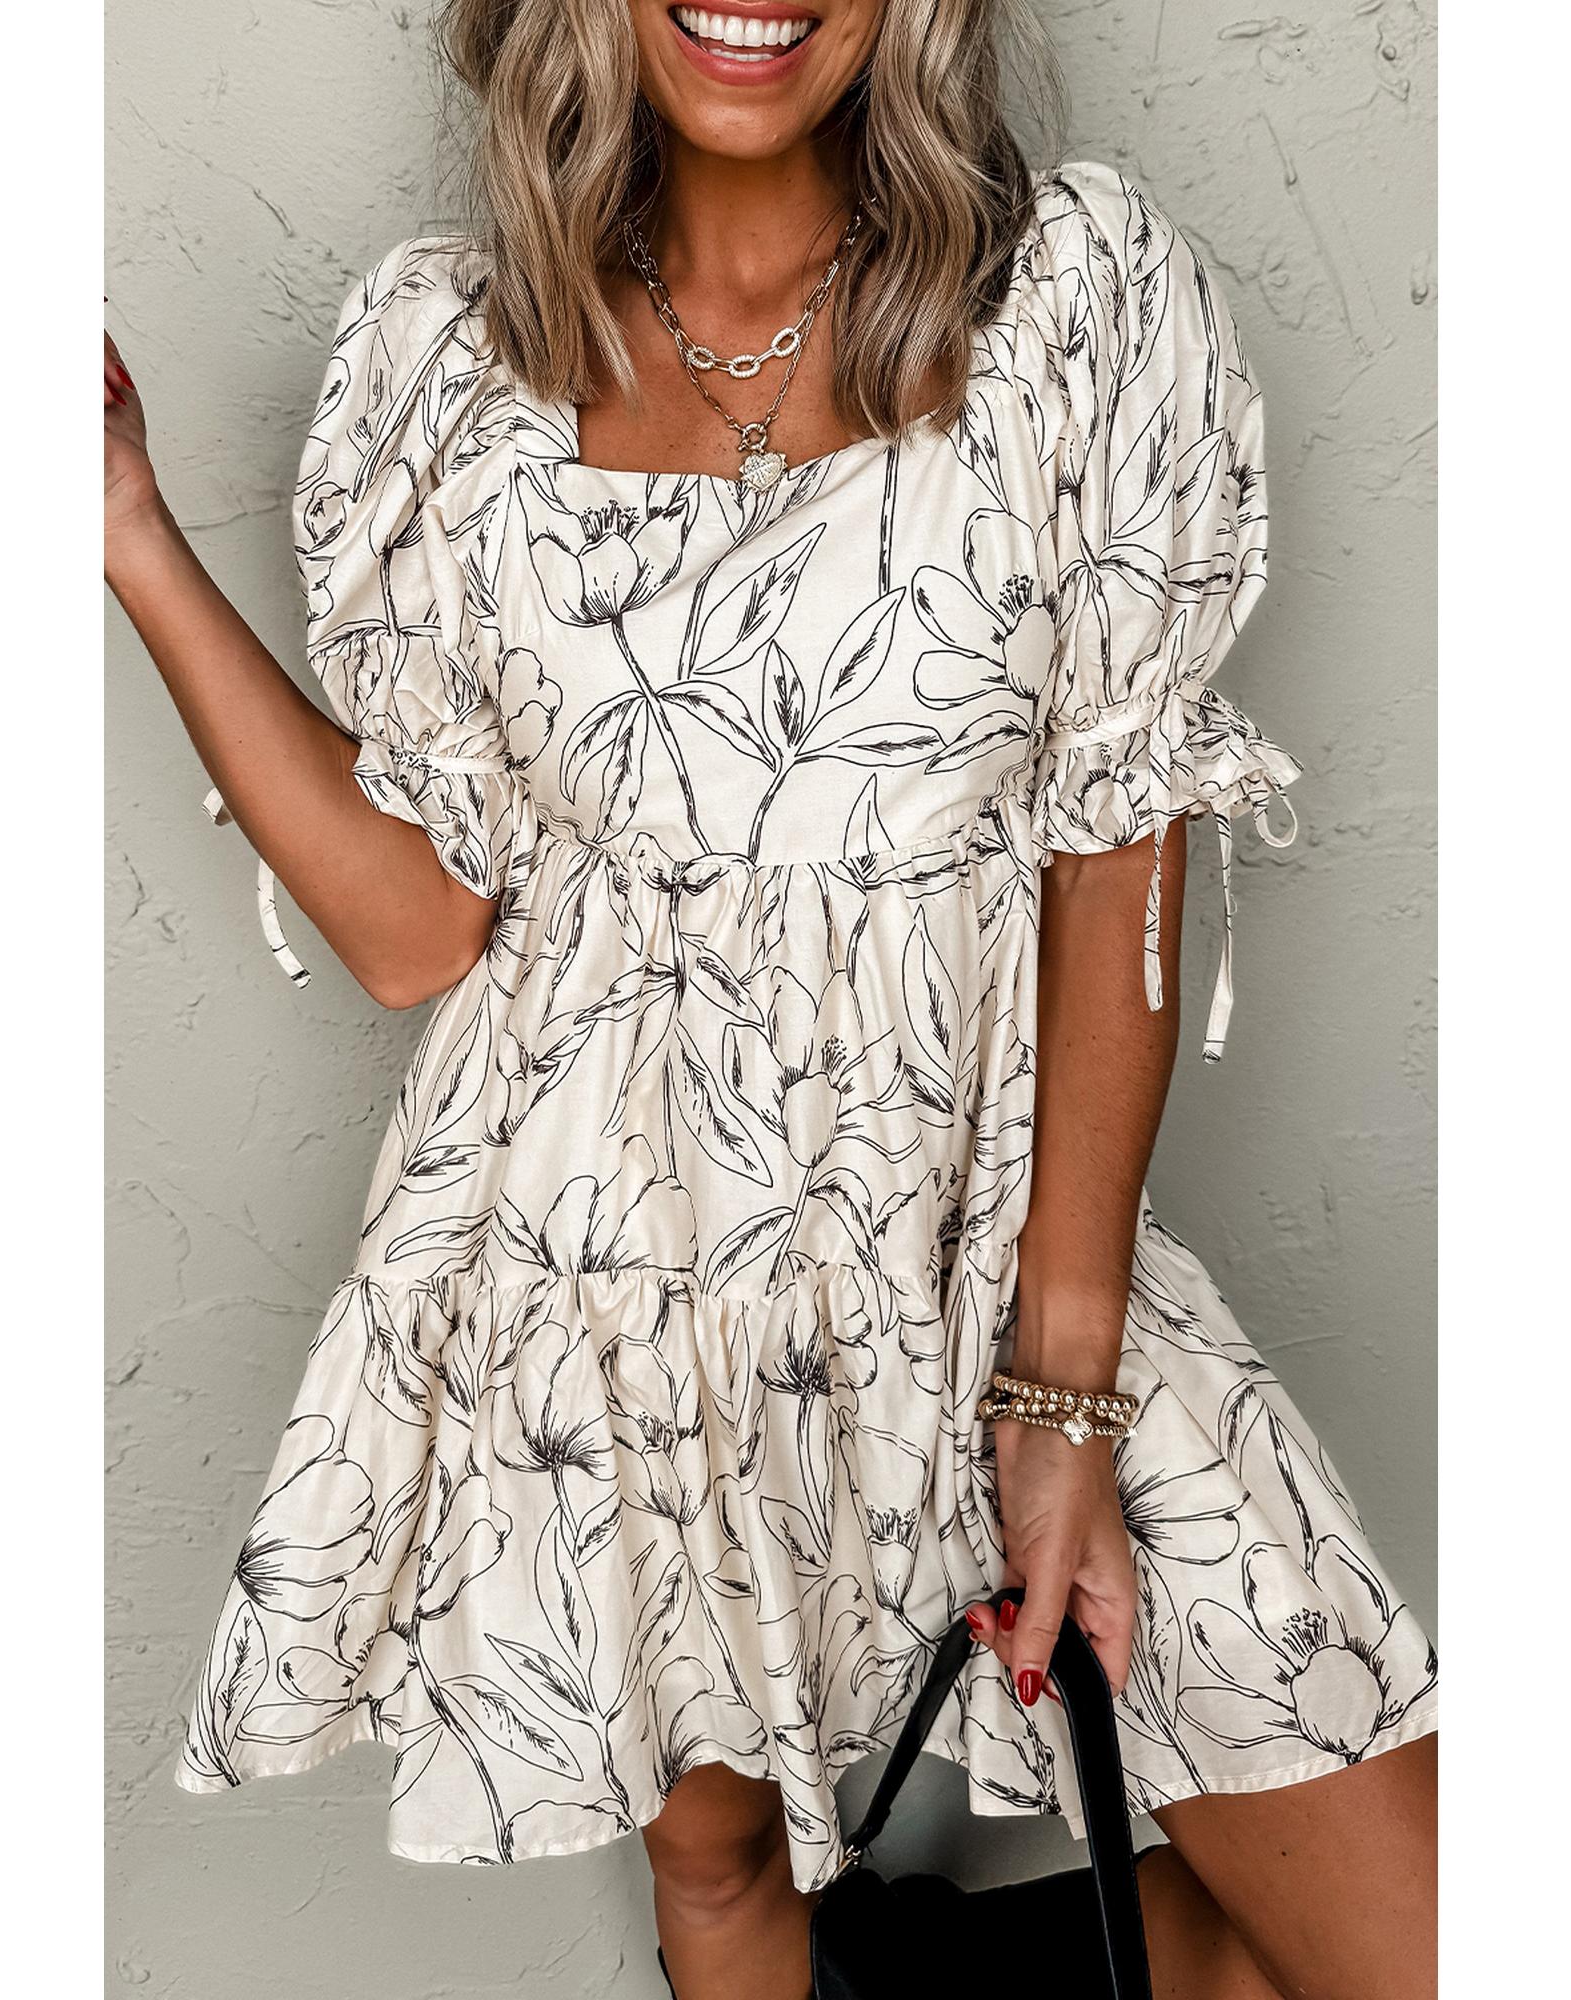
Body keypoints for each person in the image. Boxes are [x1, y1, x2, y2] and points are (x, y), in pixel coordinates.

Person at [104, 4, 1438, 1996]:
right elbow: (414, 933)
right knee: (727, 1881)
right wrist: (121, 529)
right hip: (612, 1292)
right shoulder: (446, 363)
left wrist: (1062, 1389)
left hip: (993, 1273)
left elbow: (1116, 843)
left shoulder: (1073, 301)